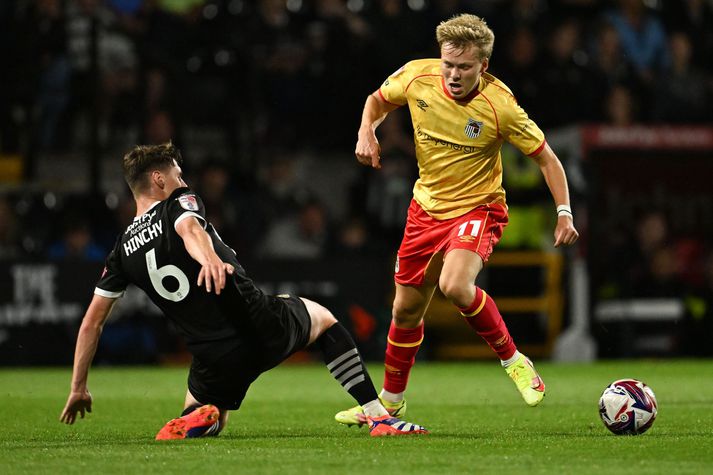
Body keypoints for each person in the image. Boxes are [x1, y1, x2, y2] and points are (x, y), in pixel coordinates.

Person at [59, 142, 427, 439]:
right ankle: (379, 417)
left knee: (206, 409)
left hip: (211, 354)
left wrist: (78, 387)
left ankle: (200, 416)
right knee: (325, 320)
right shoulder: (179, 203)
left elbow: (92, 323)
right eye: (177, 174)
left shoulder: (121, 249)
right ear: (158, 178)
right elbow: (191, 231)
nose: (183, 182)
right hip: (254, 321)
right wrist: (209, 260)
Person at [336, 13, 579, 426]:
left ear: (483, 67)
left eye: (464, 67)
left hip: (477, 208)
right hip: (425, 210)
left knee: (455, 285)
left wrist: (564, 212)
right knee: (404, 313)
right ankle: (390, 403)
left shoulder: (501, 107)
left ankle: (514, 360)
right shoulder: (418, 77)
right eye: (448, 63)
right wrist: (366, 131)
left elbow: (548, 160)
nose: (452, 74)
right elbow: (377, 101)